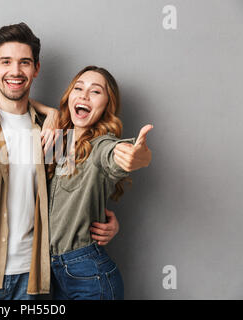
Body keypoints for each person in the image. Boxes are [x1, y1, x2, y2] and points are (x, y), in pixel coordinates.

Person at [0, 23, 147, 300]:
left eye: (25, 63)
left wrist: (103, 219)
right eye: (6, 62)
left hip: (35, 280)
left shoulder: (53, 129)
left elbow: (75, 188)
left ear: (36, 69)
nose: (15, 71)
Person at [43, 65, 152, 300]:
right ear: (69, 96)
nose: (83, 95)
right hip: (54, 275)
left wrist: (137, 156)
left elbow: (120, 155)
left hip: (90, 277)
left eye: (95, 91)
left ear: (106, 105)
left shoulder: (102, 146)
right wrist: (50, 112)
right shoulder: (58, 142)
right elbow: (16, 101)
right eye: (78, 88)